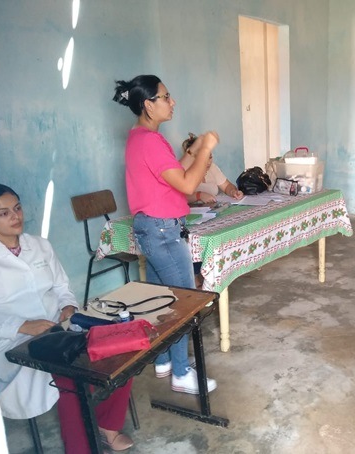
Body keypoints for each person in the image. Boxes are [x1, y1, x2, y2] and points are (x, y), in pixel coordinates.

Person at [0, 184, 133, 453]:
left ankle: (107, 425)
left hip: (58, 328)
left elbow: (61, 286)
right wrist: (23, 326)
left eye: (17, 208)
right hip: (12, 342)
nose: (15, 216)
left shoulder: (39, 245)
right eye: (3, 213)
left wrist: (68, 306)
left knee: (119, 349)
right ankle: (79, 449)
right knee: (71, 377)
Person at [113, 75, 217, 395]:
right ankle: (182, 373)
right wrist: (206, 150)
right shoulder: (150, 141)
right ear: (148, 104)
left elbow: (173, 175)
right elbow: (187, 184)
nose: (173, 102)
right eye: (166, 97)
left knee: (163, 299)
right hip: (162, 231)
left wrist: (193, 151)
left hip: (151, 229)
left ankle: (164, 360)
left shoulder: (139, 138)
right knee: (184, 302)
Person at [181, 133, 243, 203]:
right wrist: (199, 196)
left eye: (210, 157)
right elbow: (177, 196)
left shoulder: (212, 168)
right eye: (204, 157)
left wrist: (233, 192)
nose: (208, 162)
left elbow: (227, 186)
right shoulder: (183, 171)